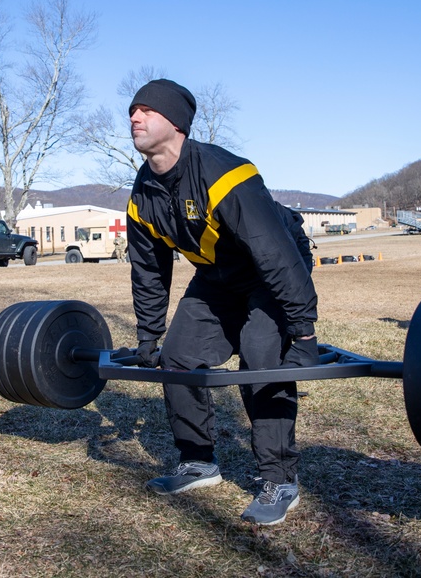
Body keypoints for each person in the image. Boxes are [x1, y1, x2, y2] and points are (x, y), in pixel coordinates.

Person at [126, 79, 318, 526]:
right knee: (177, 357)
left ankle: (280, 478)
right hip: (218, 275)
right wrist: (149, 335)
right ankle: (197, 461)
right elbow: (149, 271)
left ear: (176, 123)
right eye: (132, 111)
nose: (134, 118)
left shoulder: (224, 173)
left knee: (260, 355)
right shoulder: (142, 196)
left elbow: (275, 255)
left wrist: (303, 331)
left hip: (271, 266)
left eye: (146, 111)